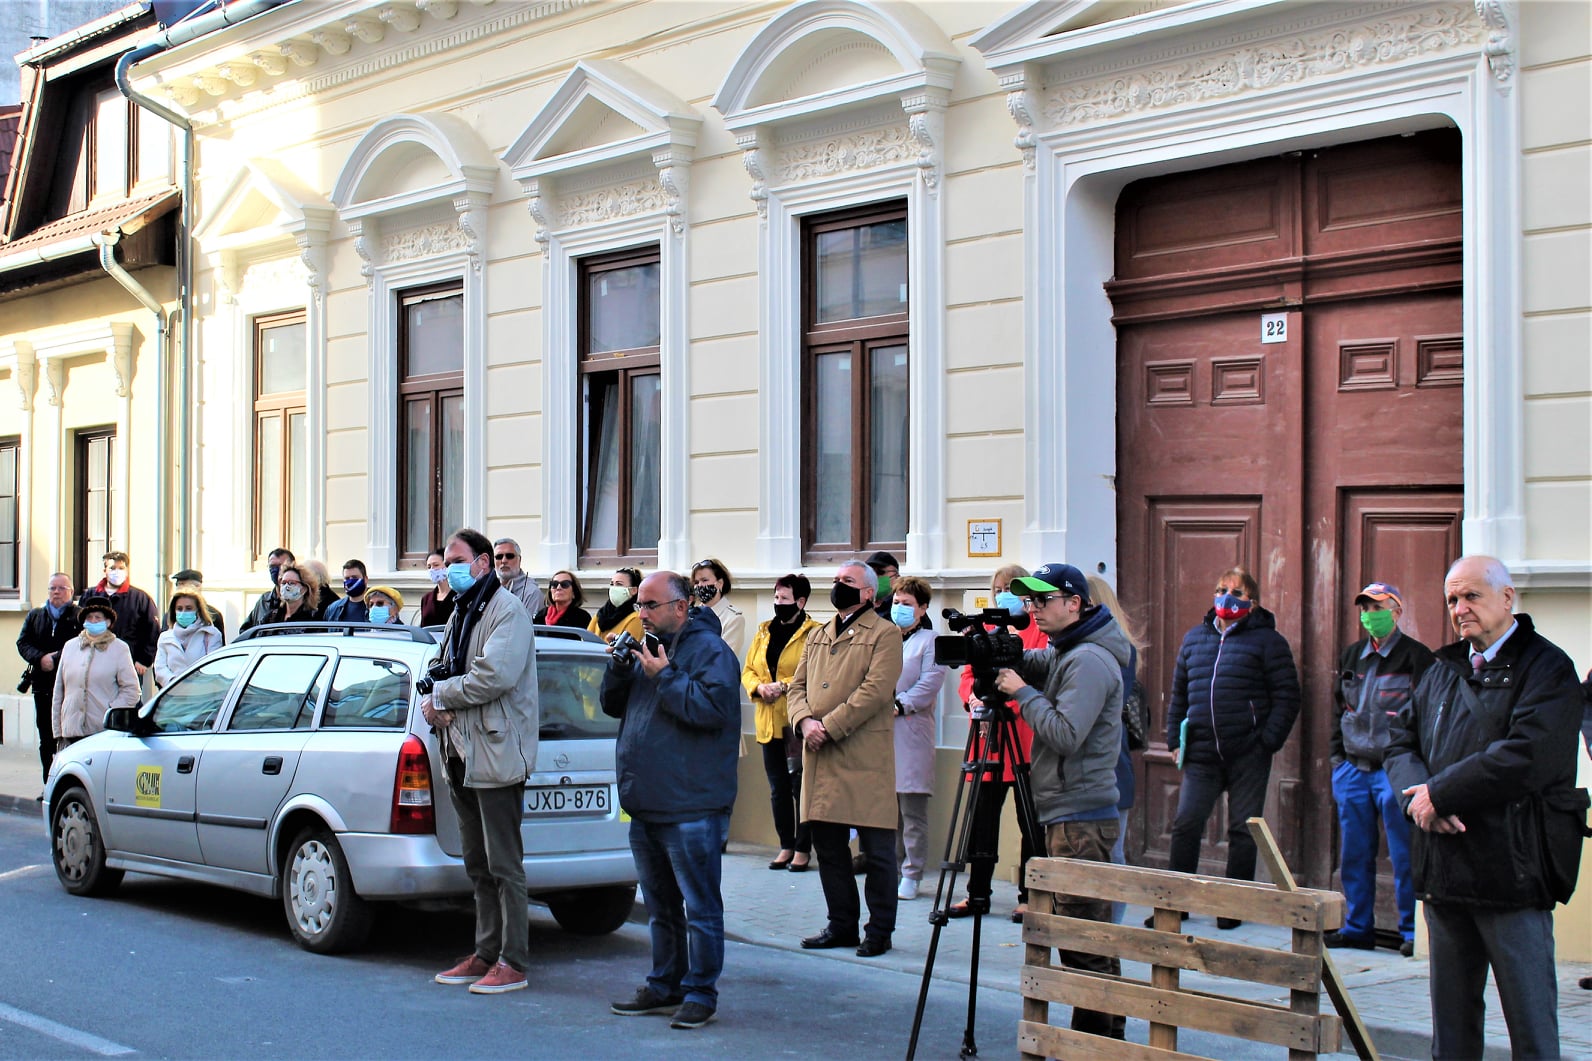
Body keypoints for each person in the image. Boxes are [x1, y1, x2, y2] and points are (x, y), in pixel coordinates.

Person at [1385, 556, 1584, 1060]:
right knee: (1452, 1033)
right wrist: (1420, 800)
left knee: (1531, 1030)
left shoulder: (1548, 667)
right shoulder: (1441, 668)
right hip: (1444, 870)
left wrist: (1441, 793)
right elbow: (1399, 743)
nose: (1460, 608)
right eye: (1452, 599)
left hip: (1513, 872)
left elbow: (1527, 755)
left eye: (1471, 596)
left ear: (1507, 598)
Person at [995, 562, 1130, 1040]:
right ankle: (1105, 1042)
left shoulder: (1088, 659)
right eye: (1029, 600)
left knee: (1082, 944)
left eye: (1043, 600)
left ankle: (1091, 1045)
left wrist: (1021, 692)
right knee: (1091, 940)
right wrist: (1006, 654)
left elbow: (1066, 734)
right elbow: (1044, 662)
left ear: (1074, 604)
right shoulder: (1070, 649)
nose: (1033, 609)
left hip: (1080, 819)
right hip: (1072, 813)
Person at [602, 571, 741, 1030]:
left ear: (681, 607)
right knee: (660, 907)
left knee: (700, 907)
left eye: (650, 605)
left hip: (691, 804)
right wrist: (618, 669)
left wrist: (665, 677)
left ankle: (701, 992)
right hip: (646, 801)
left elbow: (713, 711)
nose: (641, 613)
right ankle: (665, 984)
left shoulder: (711, 652)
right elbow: (612, 706)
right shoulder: (648, 646)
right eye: (639, 605)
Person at [422, 528, 540, 996]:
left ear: (483, 563)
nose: (448, 569)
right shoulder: (462, 609)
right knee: (477, 862)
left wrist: (441, 696)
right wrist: (434, 696)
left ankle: (514, 960)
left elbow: (493, 676)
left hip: (495, 750)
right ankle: (485, 952)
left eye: (456, 560)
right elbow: (441, 666)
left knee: (504, 863)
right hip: (460, 750)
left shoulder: (507, 610)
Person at [1162, 565, 1300, 927]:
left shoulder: (1269, 642)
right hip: (1201, 753)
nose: (1226, 597)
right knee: (1186, 824)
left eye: (1236, 592)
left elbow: (1288, 696)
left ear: (1252, 603)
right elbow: (1179, 694)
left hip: (1247, 753)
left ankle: (1234, 908)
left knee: (1243, 829)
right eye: (1221, 590)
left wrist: (1267, 742)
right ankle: (1175, 905)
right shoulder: (1195, 639)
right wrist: (1174, 738)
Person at [788, 560, 904, 958]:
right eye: (836, 580)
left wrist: (829, 726)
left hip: (862, 753)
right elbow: (797, 687)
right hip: (820, 754)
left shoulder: (885, 633)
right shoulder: (818, 633)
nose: (839, 585)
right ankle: (841, 925)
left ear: (869, 592)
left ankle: (880, 930)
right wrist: (804, 722)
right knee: (829, 847)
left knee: (878, 850)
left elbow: (876, 690)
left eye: (848, 581)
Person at [1327, 580, 1434, 958]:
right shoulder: (1352, 655)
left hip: (1396, 772)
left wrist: (1417, 769)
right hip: (1353, 770)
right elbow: (1339, 709)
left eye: (1378, 607)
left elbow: (1427, 715)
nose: (1371, 615)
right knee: (1354, 854)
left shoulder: (1417, 657)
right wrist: (1337, 761)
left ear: (1397, 611)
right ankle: (1358, 928)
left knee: (1405, 855)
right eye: (1366, 608)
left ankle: (1410, 931)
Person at [949, 564, 1048, 921]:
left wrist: (1008, 700)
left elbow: (1037, 678)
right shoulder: (987, 631)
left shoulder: (1039, 631)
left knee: (1030, 823)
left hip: (1023, 737)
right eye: (999, 588)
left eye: (1011, 588)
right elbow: (969, 675)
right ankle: (977, 893)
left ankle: (1031, 895)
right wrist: (973, 697)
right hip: (987, 737)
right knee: (981, 820)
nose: (1004, 594)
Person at [742, 574, 822, 872]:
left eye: (784, 598)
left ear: (800, 602)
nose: (778, 603)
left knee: (801, 788)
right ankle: (785, 845)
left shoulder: (814, 633)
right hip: (768, 721)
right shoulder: (764, 631)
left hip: (796, 721)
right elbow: (749, 669)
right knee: (778, 788)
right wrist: (758, 687)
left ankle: (803, 848)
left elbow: (814, 672)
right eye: (776, 598)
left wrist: (784, 685)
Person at [1086, 574, 1146, 926]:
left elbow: (1098, 706)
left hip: (1110, 765)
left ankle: (1110, 928)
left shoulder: (1118, 650)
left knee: (1112, 853)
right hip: (1087, 770)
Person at [890, 575, 945, 901]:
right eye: (896, 602)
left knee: (912, 810)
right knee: (887, 811)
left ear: (922, 608)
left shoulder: (930, 641)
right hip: (880, 732)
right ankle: (892, 867)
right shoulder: (886, 637)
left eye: (907, 604)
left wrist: (900, 704)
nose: (899, 608)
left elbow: (929, 683)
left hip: (911, 730)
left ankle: (912, 872)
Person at [52, 596, 140, 751]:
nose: (93, 621)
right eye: (89, 617)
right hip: (71, 729)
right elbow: (59, 691)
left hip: (102, 732)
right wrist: (58, 730)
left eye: (98, 617)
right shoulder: (70, 647)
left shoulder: (119, 648)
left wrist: (111, 711)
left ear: (108, 622)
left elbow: (131, 691)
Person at [16, 573, 80, 785]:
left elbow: (82, 643)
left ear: (71, 592)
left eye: (62, 588)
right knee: (46, 737)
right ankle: (48, 784)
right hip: (42, 686)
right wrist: (40, 658)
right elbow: (23, 643)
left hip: (70, 687)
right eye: (53, 588)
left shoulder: (79, 616)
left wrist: (56, 659)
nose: (56, 592)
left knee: (68, 735)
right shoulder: (35, 615)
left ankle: (68, 782)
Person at [87, 551, 160, 680]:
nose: (117, 572)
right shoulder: (90, 595)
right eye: (112, 568)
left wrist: (144, 660)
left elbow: (152, 630)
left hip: (129, 664)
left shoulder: (140, 598)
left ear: (127, 571)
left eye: (121, 568)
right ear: (105, 571)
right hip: (93, 662)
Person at [154, 585, 224, 687]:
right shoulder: (165, 638)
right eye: (179, 608)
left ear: (198, 610)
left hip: (203, 691)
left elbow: (214, 667)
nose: (183, 612)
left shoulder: (211, 634)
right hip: (174, 692)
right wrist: (173, 682)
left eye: (189, 608)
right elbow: (160, 668)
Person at [690, 559, 745, 659]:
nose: (700, 585)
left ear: (720, 583)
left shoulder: (733, 619)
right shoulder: (691, 616)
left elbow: (723, 658)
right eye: (696, 582)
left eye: (704, 580)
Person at [240, 547, 295, 633]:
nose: (276, 570)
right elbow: (245, 631)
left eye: (280, 566)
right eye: (272, 566)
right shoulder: (264, 601)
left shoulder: (300, 601)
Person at [590, 567, 645, 644]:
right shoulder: (601, 614)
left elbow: (626, 647)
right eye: (612, 584)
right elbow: (585, 639)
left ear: (634, 590)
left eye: (619, 584)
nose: (614, 588)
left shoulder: (636, 618)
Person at [493, 537, 545, 618]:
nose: (503, 561)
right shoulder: (490, 589)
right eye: (499, 557)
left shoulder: (532, 593)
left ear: (519, 560)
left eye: (509, 556)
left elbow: (529, 625)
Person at [168, 568, 226, 640]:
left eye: (182, 584)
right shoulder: (170, 614)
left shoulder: (213, 615)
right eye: (177, 584)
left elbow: (220, 644)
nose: (179, 588)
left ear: (197, 586)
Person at [420, 548, 456, 627]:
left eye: (436, 565)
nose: (432, 569)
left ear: (447, 566)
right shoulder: (426, 598)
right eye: (429, 567)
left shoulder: (459, 595)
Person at [865, 551, 899, 621]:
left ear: (897, 577)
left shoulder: (903, 606)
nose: (875, 577)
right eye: (870, 573)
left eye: (880, 572)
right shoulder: (861, 605)